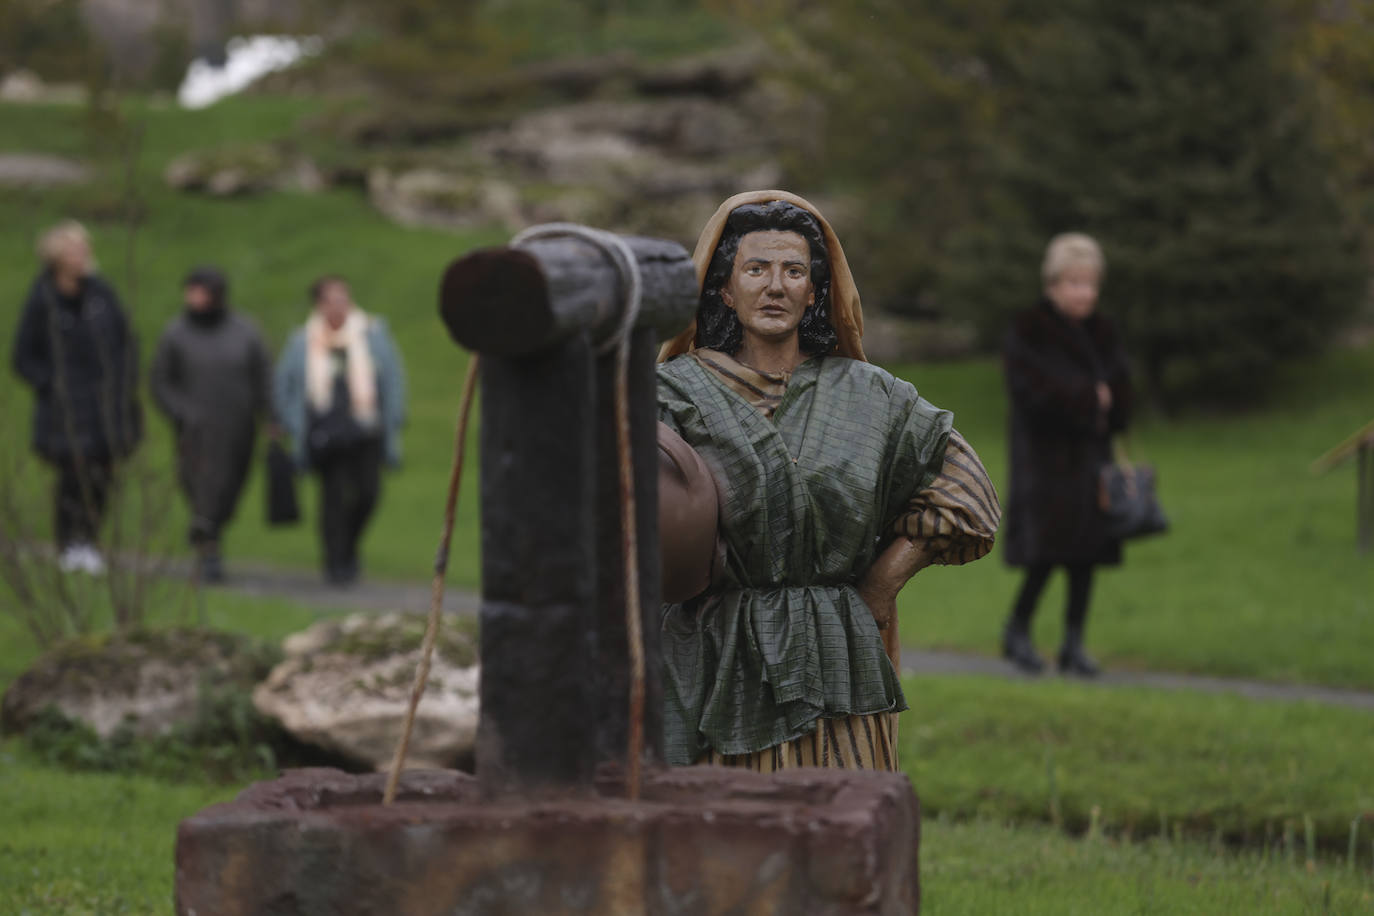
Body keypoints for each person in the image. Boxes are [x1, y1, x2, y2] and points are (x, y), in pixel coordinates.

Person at [656, 190, 1000, 772]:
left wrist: (881, 587)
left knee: (842, 825)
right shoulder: (672, 396)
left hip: (839, 651)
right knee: (732, 840)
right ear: (723, 287)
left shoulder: (872, 396)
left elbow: (968, 498)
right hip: (715, 654)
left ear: (815, 292)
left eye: (794, 271)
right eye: (756, 269)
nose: (775, 286)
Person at [1000, 232, 1133, 677]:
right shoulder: (1029, 331)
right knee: (1045, 555)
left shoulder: (1103, 333)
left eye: (1090, 284)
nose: (1084, 293)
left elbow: (1123, 394)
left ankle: (1073, 642)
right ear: (1053, 284)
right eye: (1075, 283)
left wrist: (1108, 401)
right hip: (1046, 465)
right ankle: (1018, 629)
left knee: (1086, 557)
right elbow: (1030, 394)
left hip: (1091, 464)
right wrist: (1089, 399)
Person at [11, 220, 142, 575]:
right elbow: (23, 357)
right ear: (57, 257)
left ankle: (91, 541)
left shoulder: (102, 295)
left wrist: (123, 383)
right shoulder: (43, 301)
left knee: (102, 477)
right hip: (65, 412)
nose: (82, 255)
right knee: (72, 478)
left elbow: (126, 342)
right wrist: (53, 384)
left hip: (105, 408)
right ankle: (69, 544)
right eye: (74, 250)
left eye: (84, 248)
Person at [274, 276, 406, 585]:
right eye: (332, 300)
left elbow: (394, 378)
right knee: (331, 498)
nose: (340, 306)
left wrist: (394, 418)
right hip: (326, 434)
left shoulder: (372, 333)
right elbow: (285, 385)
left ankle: (349, 544)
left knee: (368, 494)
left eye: (344, 299)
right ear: (319, 304)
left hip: (365, 429)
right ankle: (335, 561)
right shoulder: (303, 341)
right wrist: (293, 424)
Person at [150, 266, 273, 583]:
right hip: (195, 430)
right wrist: (180, 412)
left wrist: (271, 416)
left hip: (238, 427)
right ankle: (208, 548)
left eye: (200, 291)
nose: (193, 297)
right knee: (202, 487)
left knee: (230, 489)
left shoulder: (245, 332)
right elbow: (160, 381)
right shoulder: (176, 334)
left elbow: (262, 376)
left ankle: (211, 534)